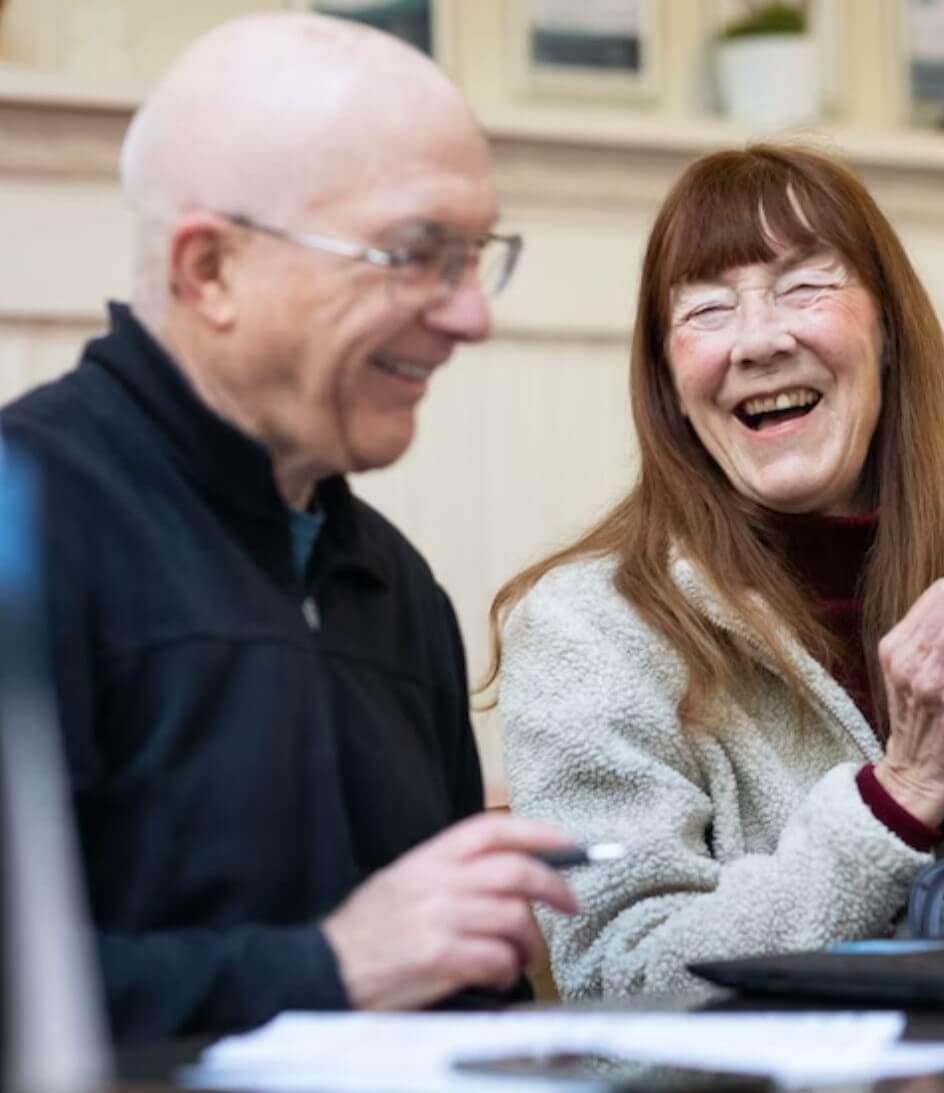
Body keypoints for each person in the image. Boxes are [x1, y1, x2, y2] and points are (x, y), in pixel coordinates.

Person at [0, 14, 579, 1040]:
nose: (470, 316)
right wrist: (328, 966)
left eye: (474, 256)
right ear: (209, 270)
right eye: (414, 254)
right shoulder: (26, 530)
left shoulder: (397, 586)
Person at [490, 145, 944, 999]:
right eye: (707, 309)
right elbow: (620, 985)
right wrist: (898, 797)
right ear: (670, 384)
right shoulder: (585, 625)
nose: (757, 340)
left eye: (804, 288)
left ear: (889, 331)